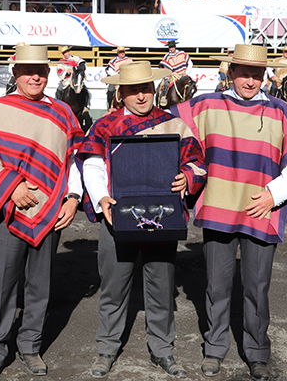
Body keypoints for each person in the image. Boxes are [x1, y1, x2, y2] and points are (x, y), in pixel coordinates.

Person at [177, 44, 287, 381]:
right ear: (231, 73)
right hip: (219, 208)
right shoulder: (204, 104)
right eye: (244, 74)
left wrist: (274, 194)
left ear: (264, 76)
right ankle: (215, 349)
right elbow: (168, 128)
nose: (250, 81)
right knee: (216, 286)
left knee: (256, 288)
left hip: (260, 210)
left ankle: (257, 352)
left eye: (256, 75)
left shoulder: (282, 111)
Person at [81, 60, 207, 379]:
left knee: (162, 286)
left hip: (162, 219)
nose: (141, 96)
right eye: (133, 91)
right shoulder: (105, 125)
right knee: (113, 287)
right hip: (116, 218)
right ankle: (107, 349)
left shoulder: (174, 124)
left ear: (155, 90)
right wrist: (101, 198)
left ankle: (163, 350)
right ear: (121, 93)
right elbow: (92, 166)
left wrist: (187, 177)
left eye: (146, 89)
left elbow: (198, 163)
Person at [0, 44, 84, 381]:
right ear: (15, 74)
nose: (35, 76)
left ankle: (30, 347)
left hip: (51, 210)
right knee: (1, 284)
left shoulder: (64, 113)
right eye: (28, 70)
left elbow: (73, 160)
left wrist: (73, 198)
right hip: (9, 207)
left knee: (39, 285)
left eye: (41, 71)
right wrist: (11, 186)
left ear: (49, 75)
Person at [157, 40, 192, 107]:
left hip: (182, 74)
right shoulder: (167, 56)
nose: (171, 49)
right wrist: (170, 73)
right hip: (172, 75)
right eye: (170, 47)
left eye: (172, 47)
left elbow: (190, 63)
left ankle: (189, 100)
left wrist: (187, 73)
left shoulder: (182, 53)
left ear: (175, 46)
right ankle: (163, 98)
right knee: (166, 83)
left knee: (190, 85)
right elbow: (164, 66)